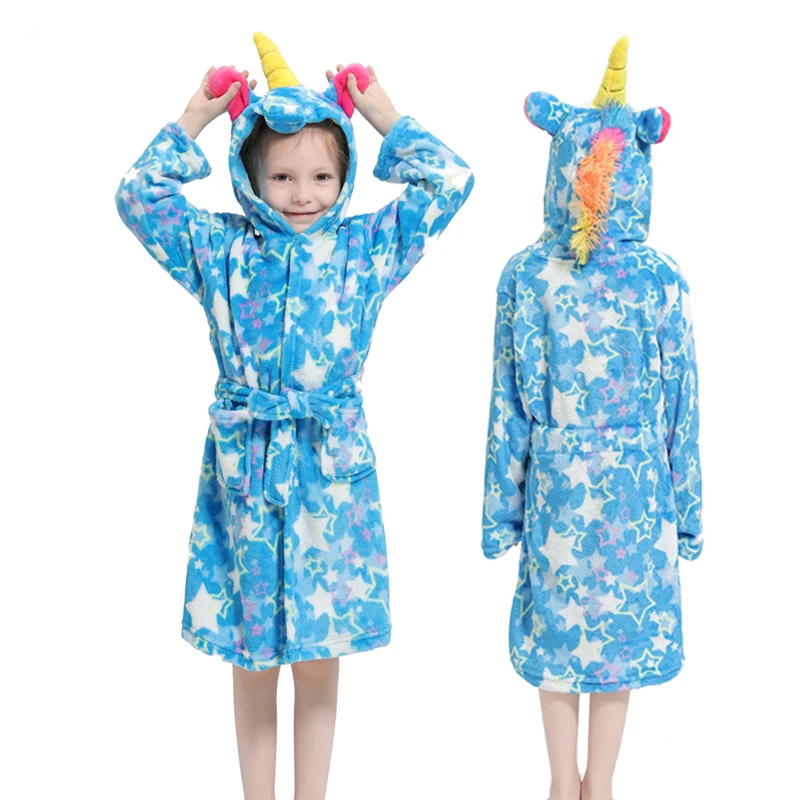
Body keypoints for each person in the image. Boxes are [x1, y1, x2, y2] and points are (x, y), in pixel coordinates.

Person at [115, 32, 473, 800]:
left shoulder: (367, 248)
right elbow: (136, 198)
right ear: (250, 175)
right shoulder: (219, 249)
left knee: (317, 659)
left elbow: (451, 179)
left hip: (330, 473)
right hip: (246, 471)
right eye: (280, 175)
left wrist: (381, 113)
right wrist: (193, 117)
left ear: (345, 177)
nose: (302, 193)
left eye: (321, 175)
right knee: (252, 659)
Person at [481, 38, 702, 800]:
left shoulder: (655, 278)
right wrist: (502, 509)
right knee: (564, 637)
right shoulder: (530, 274)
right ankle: (564, 779)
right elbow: (508, 399)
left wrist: (689, 508)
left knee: (608, 640)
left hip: (614, 486)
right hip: (585, 485)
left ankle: (594, 782)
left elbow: (683, 404)